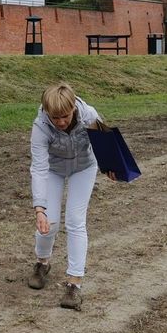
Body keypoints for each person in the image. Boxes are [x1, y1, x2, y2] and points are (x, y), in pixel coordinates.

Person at [27, 83, 116, 310]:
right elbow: (38, 168)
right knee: (51, 221)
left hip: (83, 168)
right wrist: (40, 208)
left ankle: (74, 283)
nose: (60, 122)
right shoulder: (40, 127)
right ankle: (42, 262)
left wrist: (110, 166)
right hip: (53, 170)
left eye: (65, 116)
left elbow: (104, 144)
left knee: (76, 222)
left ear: (73, 108)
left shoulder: (89, 115)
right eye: (54, 117)